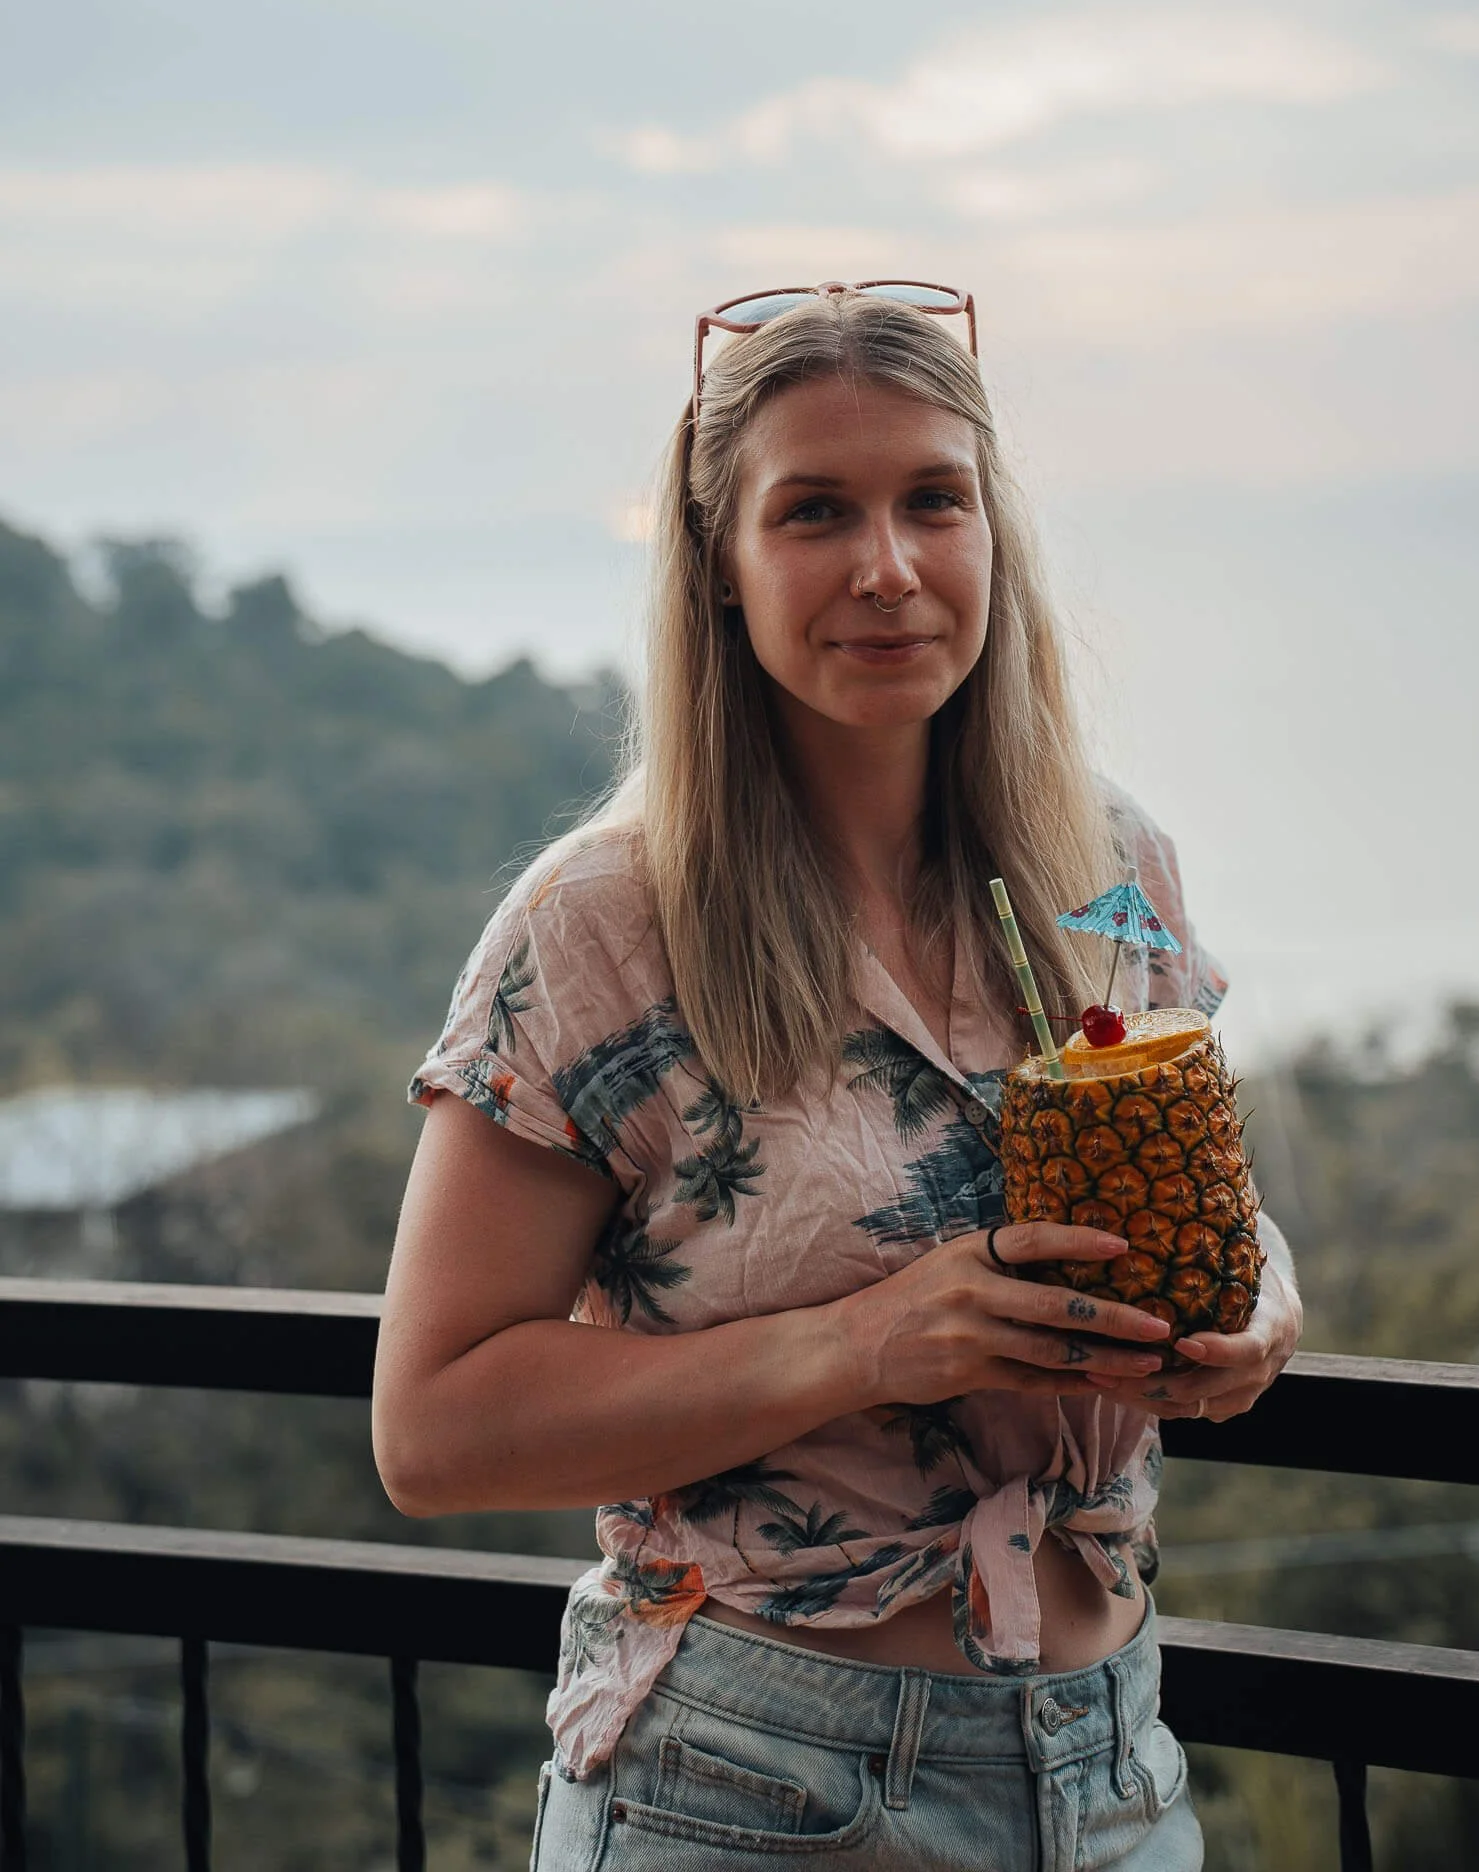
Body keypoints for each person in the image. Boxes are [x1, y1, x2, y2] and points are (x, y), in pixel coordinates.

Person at [372, 282, 1303, 1871]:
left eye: (931, 500)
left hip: (1115, 1773)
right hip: (753, 1788)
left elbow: (1201, 1180)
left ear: (990, 533)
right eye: (813, 513)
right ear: (722, 573)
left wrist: (1252, 1292)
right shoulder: (598, 928)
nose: (886, 568)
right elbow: (435, 1430)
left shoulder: (1108, 864)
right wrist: (866, 1343)